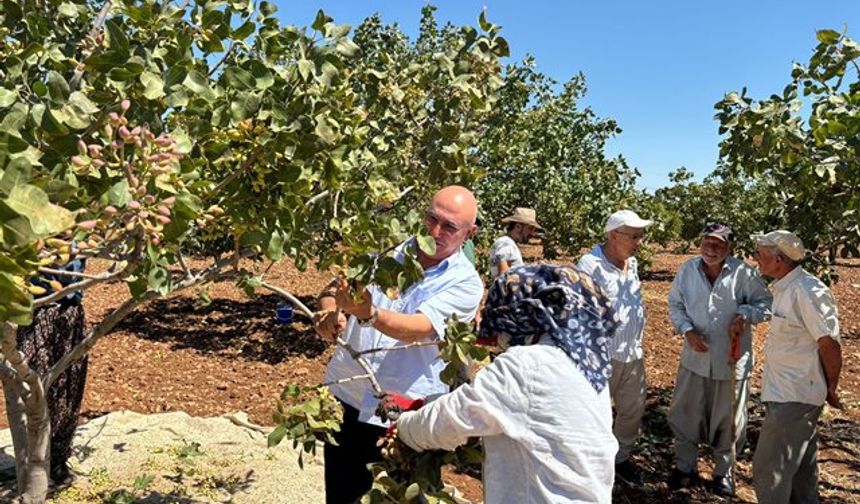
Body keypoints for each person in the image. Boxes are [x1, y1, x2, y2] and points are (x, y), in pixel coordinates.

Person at [313, 185, 483, 504]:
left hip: (401, 412)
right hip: (346, 395)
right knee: (341, 493)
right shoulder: (385, 251)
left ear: (469, 233)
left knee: (398, 495)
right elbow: (335, 288)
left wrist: (370, 313)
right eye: (432, 218)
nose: (435, 231)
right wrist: (327, 311)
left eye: (449, 226)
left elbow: (417, 329)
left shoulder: (466, 282)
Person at [396, 265, 619, 504]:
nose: (500, 341)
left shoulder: (528, 365)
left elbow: (448, 421)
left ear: (519, 318)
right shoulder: (587, 368)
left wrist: (402, 427)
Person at [666, 222, 772, 497]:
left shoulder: (744, 273)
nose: (711, 248)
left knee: (729, 421)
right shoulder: (687, 270)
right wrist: (687, 331)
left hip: (731, 361)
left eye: (718, 243)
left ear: (730, 247)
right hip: (695, 359)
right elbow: (675, 305)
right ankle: (684, 467)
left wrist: (745, 314)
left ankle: (723, 473)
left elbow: (766, 304)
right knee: (685, 415)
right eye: (707, 242)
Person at [751, 230, 842, 504]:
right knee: (801, 474)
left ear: (779, 259)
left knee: (770, 472)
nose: (756, 259)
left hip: (794, 396)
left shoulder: (805, 291)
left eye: (761, 254)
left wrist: (832, 385)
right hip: (787, 393)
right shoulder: (785, 287)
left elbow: (829, 344)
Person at [575, 209, 652, 486]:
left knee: (633, 409)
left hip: (632, 352)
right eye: (634, 236)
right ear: (613, 235)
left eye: (641, 236)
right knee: (596, 413)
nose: (639, 242)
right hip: (601, 356)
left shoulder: (631, 263)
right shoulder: (590, 264)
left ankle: (619, 459)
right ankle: (593, 463)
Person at [488, 207, 542, 277]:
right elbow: (504, 276)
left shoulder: (507, 243)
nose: (532, 233)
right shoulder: (506, 244)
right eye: (530, 228)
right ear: (518, 227)